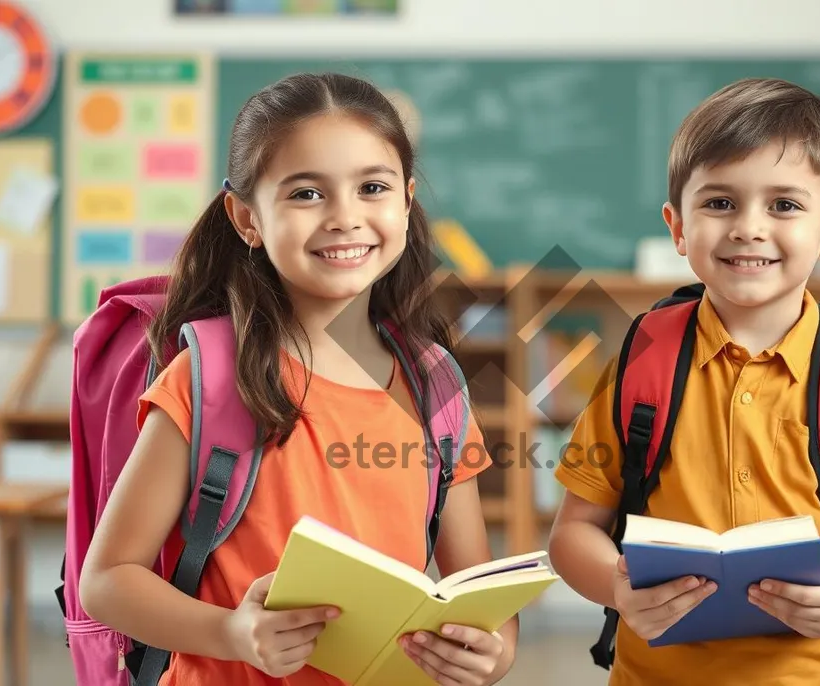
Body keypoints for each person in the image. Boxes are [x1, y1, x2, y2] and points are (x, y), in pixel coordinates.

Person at [79, 72, 515, 686]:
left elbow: (477, 591)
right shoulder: (210, 379)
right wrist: (231, 632)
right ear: (246, 217)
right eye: (307, 194)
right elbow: (106, 581)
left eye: (372, 187)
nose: (345, 217)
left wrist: (490, 653)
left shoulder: (434, 382)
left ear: (407, 201)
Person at [547, 77, 820, 685]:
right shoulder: (643, 358)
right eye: (719, 203)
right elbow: (574, 531)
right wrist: (617, 588)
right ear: (677, 227)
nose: (748, 228)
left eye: (784, 205)